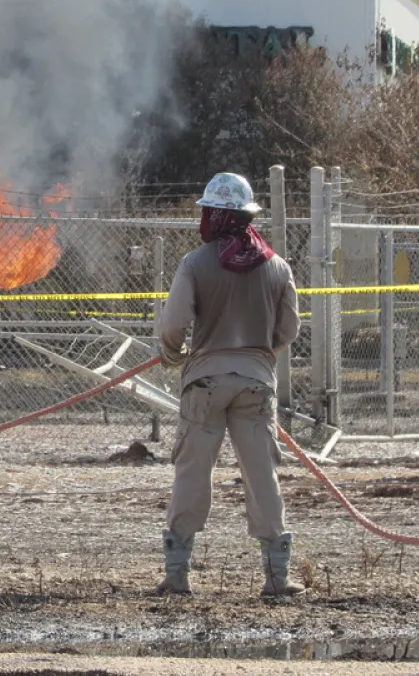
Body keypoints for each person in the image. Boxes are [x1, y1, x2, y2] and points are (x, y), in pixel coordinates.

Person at [153, 172, 302, 597]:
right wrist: (258, 356)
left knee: (192, 472)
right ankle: (277, 578)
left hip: (204, 384)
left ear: (213, 216)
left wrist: (174, 352)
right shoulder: (276, 266)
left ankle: (177, 576)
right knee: (261, 475)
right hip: (256, 384)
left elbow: (174, 323)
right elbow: (289, 329)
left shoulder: (195, 263)